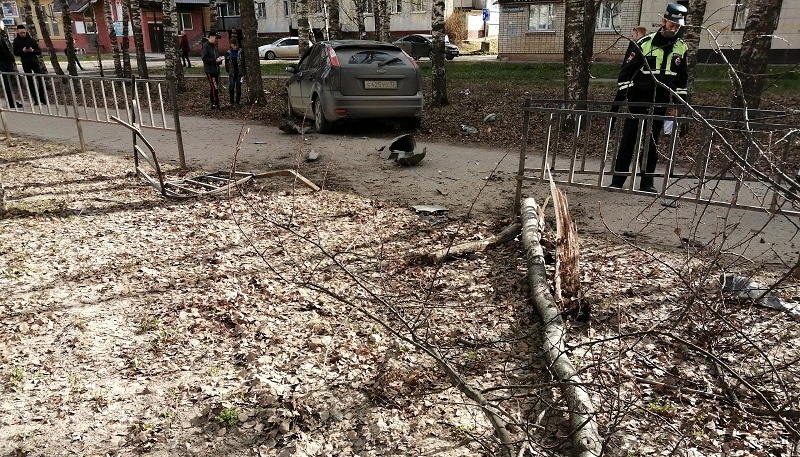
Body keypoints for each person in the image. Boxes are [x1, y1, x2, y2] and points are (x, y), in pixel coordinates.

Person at [609, 3, 688, 193]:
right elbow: (625, 74)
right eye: (671, 24)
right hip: (638, 100)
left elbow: (681, 80)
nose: (674, 29)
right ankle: (618, 181)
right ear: (664, 21)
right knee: (629, 139)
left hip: (660, 102)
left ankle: (647, 183)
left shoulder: (681, 47)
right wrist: (628, 98)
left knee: (652, 143)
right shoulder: (644, 43)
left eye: (678, 26)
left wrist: (678, 104)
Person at [609, 26, 648, 119]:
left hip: (631, 81)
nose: (631, 36)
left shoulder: (637, 47)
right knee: (618, 104)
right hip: (632, 82)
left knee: (620, 104)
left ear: (637, 33)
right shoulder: (637, 45)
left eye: (633, 34)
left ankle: (613, 124)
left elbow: (628, 63)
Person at [12, 24, 47, 105]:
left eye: (24, 32)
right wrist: (23, 51)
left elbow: (39, 51)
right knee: (30, 81)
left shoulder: (31, 40)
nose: (23, 34)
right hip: (25, 62)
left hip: (34, 62)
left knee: (41, 80)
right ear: (18, 32)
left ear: (26, 31)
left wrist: (32, 50)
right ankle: (36, 99)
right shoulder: (16, 41)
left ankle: (42, 98)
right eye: (21, 33)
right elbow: (15, 53)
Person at [0, 22, 22, 108]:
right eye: (2, 23)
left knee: (8, 83)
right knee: (7, 83)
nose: (3, 25)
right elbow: (3, 52)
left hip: (5, 63)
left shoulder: (1, 37)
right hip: (4, 64)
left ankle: (11, 101)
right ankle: (11, 102)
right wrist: (10, 58)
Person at [201, 32, 224, 109]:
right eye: (216, 38)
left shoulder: (214, 46)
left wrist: (219, 60)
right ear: (210, 37)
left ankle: (215, 102)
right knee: (214, 87)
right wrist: (214, 61)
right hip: (210, 71)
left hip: (216, 69)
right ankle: (214, 103)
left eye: (217, 38)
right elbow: (204, 58)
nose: (217, 40)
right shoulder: (206, 46)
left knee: (215, 87)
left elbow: (216, 56)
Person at [224, 38, 246, 105]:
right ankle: (232, 101)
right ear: (231, 45)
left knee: (238, 87)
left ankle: (237, 101)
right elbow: (227, 62)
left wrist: (243, 72)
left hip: (239, 72)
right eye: (234, 45)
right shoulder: (228, 52)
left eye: (236, 45)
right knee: (231, 86)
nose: (235, 46)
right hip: (232, 73)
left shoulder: (241, 52)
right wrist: (228, 70)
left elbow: (243, 62)